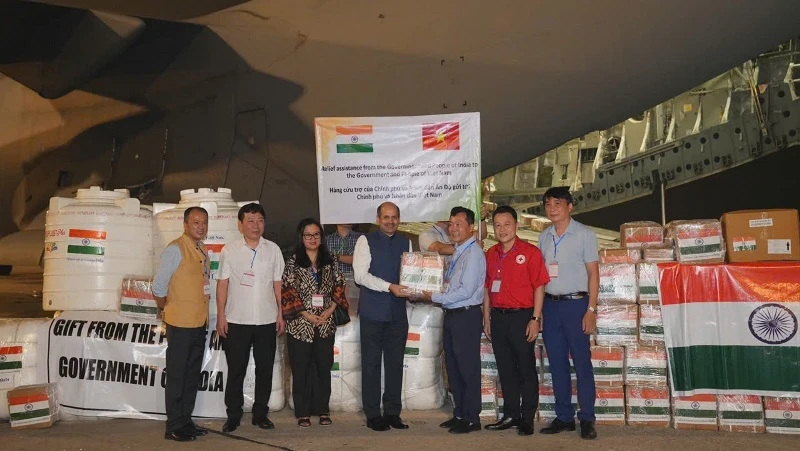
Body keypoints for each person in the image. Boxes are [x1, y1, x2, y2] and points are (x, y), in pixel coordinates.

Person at [215, 203, 285, 433]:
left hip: (266, 320)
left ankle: (260, 414)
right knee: (236, 369)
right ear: (240, 224)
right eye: (250, 221)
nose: (256, 225)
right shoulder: (229, 250)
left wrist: (280, 313)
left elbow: (278, 284)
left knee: (265, 369)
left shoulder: (273, 249)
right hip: (237, 320)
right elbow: (222, 284)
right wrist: (221, 316)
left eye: (260, 220)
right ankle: (233, 414)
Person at [537, 187, 599, 440]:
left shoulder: (584, 234)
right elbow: (540, 277)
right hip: (551, 306)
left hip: (576, 305)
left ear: (570, 206)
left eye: (557, 203)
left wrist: (591, 309)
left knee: (582, 363)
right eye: (548, 204)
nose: (552, 208)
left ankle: (587, 418)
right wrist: (538, 312)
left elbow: (594, 273)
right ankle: (564, 417)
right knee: (557, 363)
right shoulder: (544, 236)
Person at [482, 205, 549, 436]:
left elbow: (539, 286)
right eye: (497, 225)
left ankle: (527, 417)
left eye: (507, 224)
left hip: (523, 316)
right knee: (506, 369)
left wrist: (535, 318)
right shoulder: (491, 254)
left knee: (526, 369)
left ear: (516, 225)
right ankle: (511, 414)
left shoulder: (530, 252)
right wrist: (486, 317)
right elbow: (487, 289)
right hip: (498, 318)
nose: (502, 229)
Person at [420, 207, 486, 434]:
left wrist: (434, 296)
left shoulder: (474, 253)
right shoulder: (459, 251)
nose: (453, 228)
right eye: (451, 224)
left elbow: (466, 291)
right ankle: (459, 413)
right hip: (453, 314)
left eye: (459, 224)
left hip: (465, 315)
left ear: (471, 228)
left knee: (467, 367)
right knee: (454, 368)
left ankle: (472, 418)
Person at [282, 218, 349, 428]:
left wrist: (329, 310)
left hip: (325, 323)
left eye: (316, 235)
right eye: (308, 235)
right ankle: (302, 412)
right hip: (300, 325)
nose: (312, 238)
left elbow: (340, 284)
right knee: (300, 369)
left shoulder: (330, 261)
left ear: (321, 237)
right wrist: (306, 314)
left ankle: (323, 410)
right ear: (301, 238)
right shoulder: (292, 261)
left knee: (323, 368)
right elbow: (287, 289)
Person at [152, 207, 212, 442]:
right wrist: (166, 308)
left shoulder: (201, 248)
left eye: (204, 222)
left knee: (191, 375)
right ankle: (174, 426)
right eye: (196, 222)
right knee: (178, 376)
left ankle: (185, 421)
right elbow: (159, 288)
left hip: (199, 323)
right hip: (180, 325)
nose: (200, 226)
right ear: (185, 224)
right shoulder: (175, 249)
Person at [352, 202, 412, 432]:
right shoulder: (365, 241)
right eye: (386, 217)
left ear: (399, 219)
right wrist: (390, 287)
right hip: (373, 313)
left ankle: (393, 413)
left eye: (394, 217)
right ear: (378, 219)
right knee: (371, 364)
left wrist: (416, 289)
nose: (390, 221)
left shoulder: (406, 242)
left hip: (397, 314)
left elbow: (411, 275)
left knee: (396, 365)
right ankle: (373, 414)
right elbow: (360, 277)